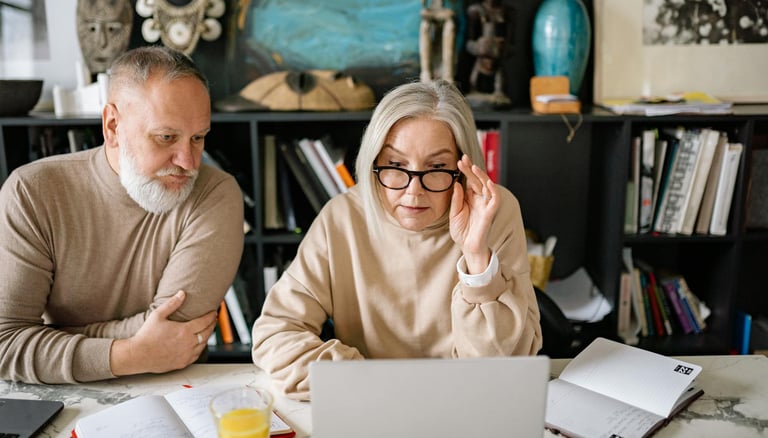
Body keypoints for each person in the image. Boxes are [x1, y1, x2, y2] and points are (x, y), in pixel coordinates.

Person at [251, 79, 542, 401]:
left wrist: (476, 258)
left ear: (463, 167)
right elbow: (275, 334)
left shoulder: (494, 211)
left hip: (465, 403)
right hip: (370, 401)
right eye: (395, 165)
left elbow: (505, 365)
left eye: (437, 167)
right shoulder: (343, 216)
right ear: (372, 160)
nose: (412, 191)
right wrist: (372, 382)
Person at [0, 46, 244, 384]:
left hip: (175, 390)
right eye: (166, 137)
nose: (189, 162)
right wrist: (128, 354)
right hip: (58, 397)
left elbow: (177, 333)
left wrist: (52, 335)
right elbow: (6, 344)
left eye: (198, 138)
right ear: (113, 126)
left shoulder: (215, 193)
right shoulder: (32, 192)